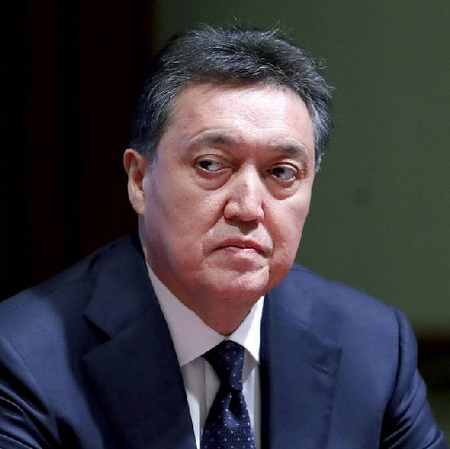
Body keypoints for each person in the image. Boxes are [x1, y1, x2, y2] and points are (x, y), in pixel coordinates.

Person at [0, 25, 447, 449]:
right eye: (211, 165)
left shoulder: (374, 347)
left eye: (281, 172)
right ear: (139, 180)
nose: (248, 208)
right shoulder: (24, 357)